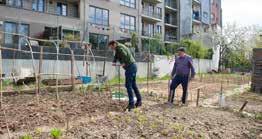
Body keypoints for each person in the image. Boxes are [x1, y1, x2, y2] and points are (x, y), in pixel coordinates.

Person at [108, 40, 142, 111]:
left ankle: (131, 104)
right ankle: (139, 101)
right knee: (133, 85)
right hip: (133, 66)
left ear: (114, 44)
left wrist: (123, 62)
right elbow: (116, 56)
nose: (112, 49)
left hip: (130, 67)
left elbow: (124, 55)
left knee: (128, 85)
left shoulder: (119, 48)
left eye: (112, 47)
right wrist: (114, 61)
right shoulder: (120, 47)